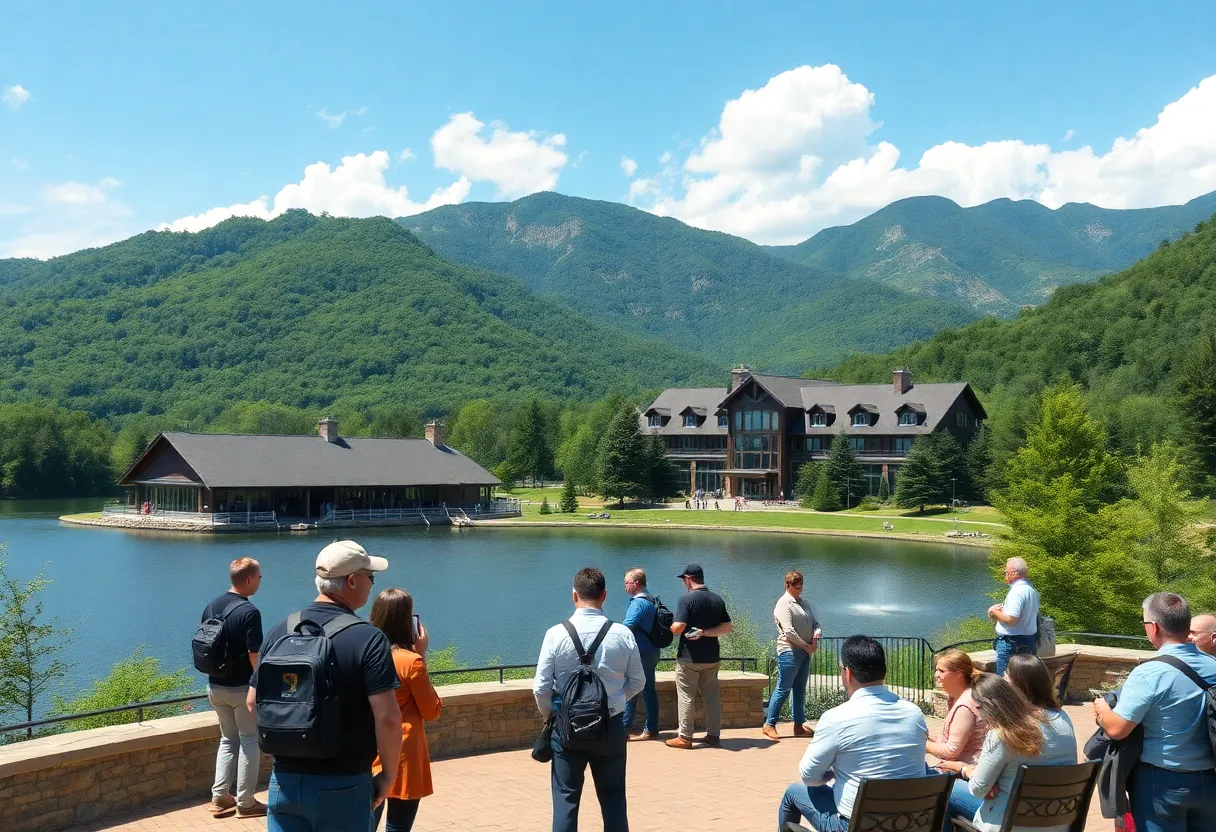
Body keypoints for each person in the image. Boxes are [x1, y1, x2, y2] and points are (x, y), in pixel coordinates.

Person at [249, 540, 401, 832]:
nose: (371, 584)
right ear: (352, 581)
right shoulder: (368, 638)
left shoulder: (281, 629)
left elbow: (252, 702)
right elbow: (389, 718)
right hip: (343, 783)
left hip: (284, 781)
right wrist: (388, 776)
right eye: (370, 577)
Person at [1093, 592, 1216, 832]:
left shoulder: (1150, 672)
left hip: (1163, 783)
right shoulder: (1212, 665)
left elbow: (1118, 729)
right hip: (1210, 780)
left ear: (1154, 627)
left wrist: (1102, 709)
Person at [778, 635, 929, 831]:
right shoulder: (914, 713)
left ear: (847, 673)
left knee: (794, 792)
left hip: (857, 826)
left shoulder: (836, 718)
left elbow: (809, 776)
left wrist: (831, 775)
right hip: (911, 822)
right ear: (884, 670)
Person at [533, 567, 645, 832]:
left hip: (567, 728)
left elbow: (541, 687)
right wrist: (615, 703)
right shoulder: (622, 634)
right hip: (611, 727)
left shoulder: (555, 634)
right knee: (614, 797)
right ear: (604, 596)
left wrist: (551, 715)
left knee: (565, 799)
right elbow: (638, 681)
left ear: (575, 596)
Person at [939, 673, 1075, 832]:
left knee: (949, 790)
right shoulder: (1061, 719)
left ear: (985, 706)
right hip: (1058, 821)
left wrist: (967, 770)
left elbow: (978, 789)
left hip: (1010, 823)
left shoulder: (1001, 734)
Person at [369, 588, 441, 832]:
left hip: (370, 749)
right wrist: (421, 653)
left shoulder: (365, 655)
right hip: (404, 753)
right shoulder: (411, 661)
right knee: (398, 827)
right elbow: (431, 711)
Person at [201, 557, 265, 819]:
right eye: (259, 577)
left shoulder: (211, 605)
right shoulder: (249, 612)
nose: (261, 581)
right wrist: (260, 684)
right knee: (250, 740)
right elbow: (254, 654)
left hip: (215, 686)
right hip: (241, 688)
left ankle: (220, 797)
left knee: (228, 740)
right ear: (249, 579)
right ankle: (246, 803)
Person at [665, 564, 733, 749]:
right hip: (712, 657)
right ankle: (713, 735)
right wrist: (704, 632)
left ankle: (685, 737)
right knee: (711, 696)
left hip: (689, 658)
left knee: (686, 696)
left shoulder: (686, 600)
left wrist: (669, 627)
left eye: (684, 580)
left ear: (688, 579)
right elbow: (727, 627)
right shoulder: (717, 599)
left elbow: (678, 627)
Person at [763, 571, 820, 741]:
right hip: (789, 651)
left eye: (800, 585)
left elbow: (815, 623)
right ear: (787, 585)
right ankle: (769, 724)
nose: (799, 588)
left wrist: (816, 636)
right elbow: (788, 631)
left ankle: (798, 725)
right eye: (795, 585)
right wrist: (806, 645)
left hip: (804, 651)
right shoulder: (784, 603)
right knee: (783, 687)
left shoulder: (804, 603)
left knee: (799, 689)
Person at [925, 649, 987, 766]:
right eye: (936, 670)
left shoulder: (964, 706)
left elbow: (952, 751)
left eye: (942, 671)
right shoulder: (956, 697)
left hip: (966, 771)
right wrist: (937, 741)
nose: (936, 675)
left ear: (958, 674)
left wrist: (924, 745)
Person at [621, 568, 660, 741]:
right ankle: (647, 728)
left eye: (626, 582)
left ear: (636, 584)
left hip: (641, 652)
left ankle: (626, 729)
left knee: (633, 689)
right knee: (647, 689)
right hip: (651, 650)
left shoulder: (638, 604)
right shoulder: (650, 599)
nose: (625, 586)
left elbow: (626, 625)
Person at [988, 557, 1039, 675]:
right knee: (1024, 678)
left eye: (1006, 572)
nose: (1005, 575)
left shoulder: (1017, 591)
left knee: (1007, 680)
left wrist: (994, 611)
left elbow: (1011, 620)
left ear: (1015, 573)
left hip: (1011, 642)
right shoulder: (1031, 590)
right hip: (1029, 640)